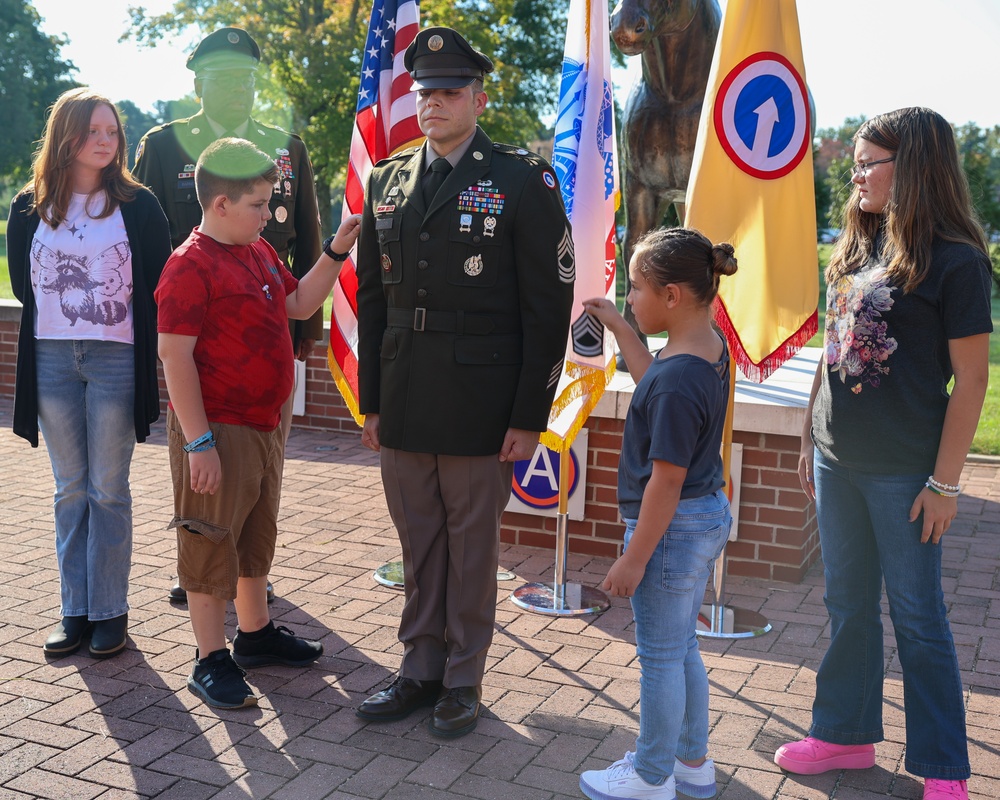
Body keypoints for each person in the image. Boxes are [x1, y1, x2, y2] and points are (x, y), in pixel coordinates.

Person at [354, 26, 575, 737]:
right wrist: (373, 401)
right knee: (419, 542)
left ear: (479, 98)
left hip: (483, 403)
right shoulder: (388, 178)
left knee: (471, 546)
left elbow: (548, 308)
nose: (434, 103)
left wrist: (527, 415)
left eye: (449, 91)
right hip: (407, 392)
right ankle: (419, 667)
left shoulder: (520, 179)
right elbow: (373, 299)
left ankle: (462, 678)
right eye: (425, 92)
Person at [774, 108, 992, 800]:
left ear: (916, 167)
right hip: (840, 462)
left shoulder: (956, 260)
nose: (856, 173)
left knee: (918, 618)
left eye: (871, 162)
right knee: (846, 605)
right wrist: (812, 432)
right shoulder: (857, 243)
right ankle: (844, 734)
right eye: (857, 161)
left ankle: (944, 769)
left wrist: (946, 484)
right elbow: (831, 348)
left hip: (905, 473)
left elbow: (973, 382)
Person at [156, 138, 361, 709]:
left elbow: (297, 306)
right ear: (220, 204)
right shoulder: (188, 266)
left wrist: (336, 252)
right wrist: (198, 442)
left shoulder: (257, 250)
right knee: (208, 538)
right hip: (216, 428)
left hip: (266, 425)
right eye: (259, 204)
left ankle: (254, 635)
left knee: (255, 535)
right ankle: (208, 658)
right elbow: (173, 357)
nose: (270, 216)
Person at [133, 26, 323, 604]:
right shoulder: (166, 146)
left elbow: (305, 236)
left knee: (262, 478)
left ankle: (247, 592)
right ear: (198, 82)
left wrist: (303, 332)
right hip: (198, 342)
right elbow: (142, 249)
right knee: (207, 475)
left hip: (268, 323)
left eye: (246, 79)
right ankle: (202, 582)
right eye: (224, 79)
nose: (238, 89)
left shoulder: (283, 146)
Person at [6, 88, 171, 659]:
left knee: (107, 489)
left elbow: (158, 285)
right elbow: (23, 287)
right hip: (51, 356)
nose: (105, 141)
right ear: (66, 136)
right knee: (69, 489)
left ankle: (109, 612)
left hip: (114, 358)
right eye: (93, 131)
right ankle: (73, 609)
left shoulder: (139, 204)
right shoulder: (29, 205)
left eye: (112, 132)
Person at [576, 229, 737, 800]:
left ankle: (651, 775)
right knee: (682, 648)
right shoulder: (704, 347)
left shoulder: (677, 381)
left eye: (636, 290)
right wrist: (623, 330)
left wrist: (633, 559)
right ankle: (691, 763)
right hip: (704, 516)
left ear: (671, 295)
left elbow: (665, 480)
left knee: (660, 658)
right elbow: (655, 379)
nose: (630, 298)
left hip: (671, 531)